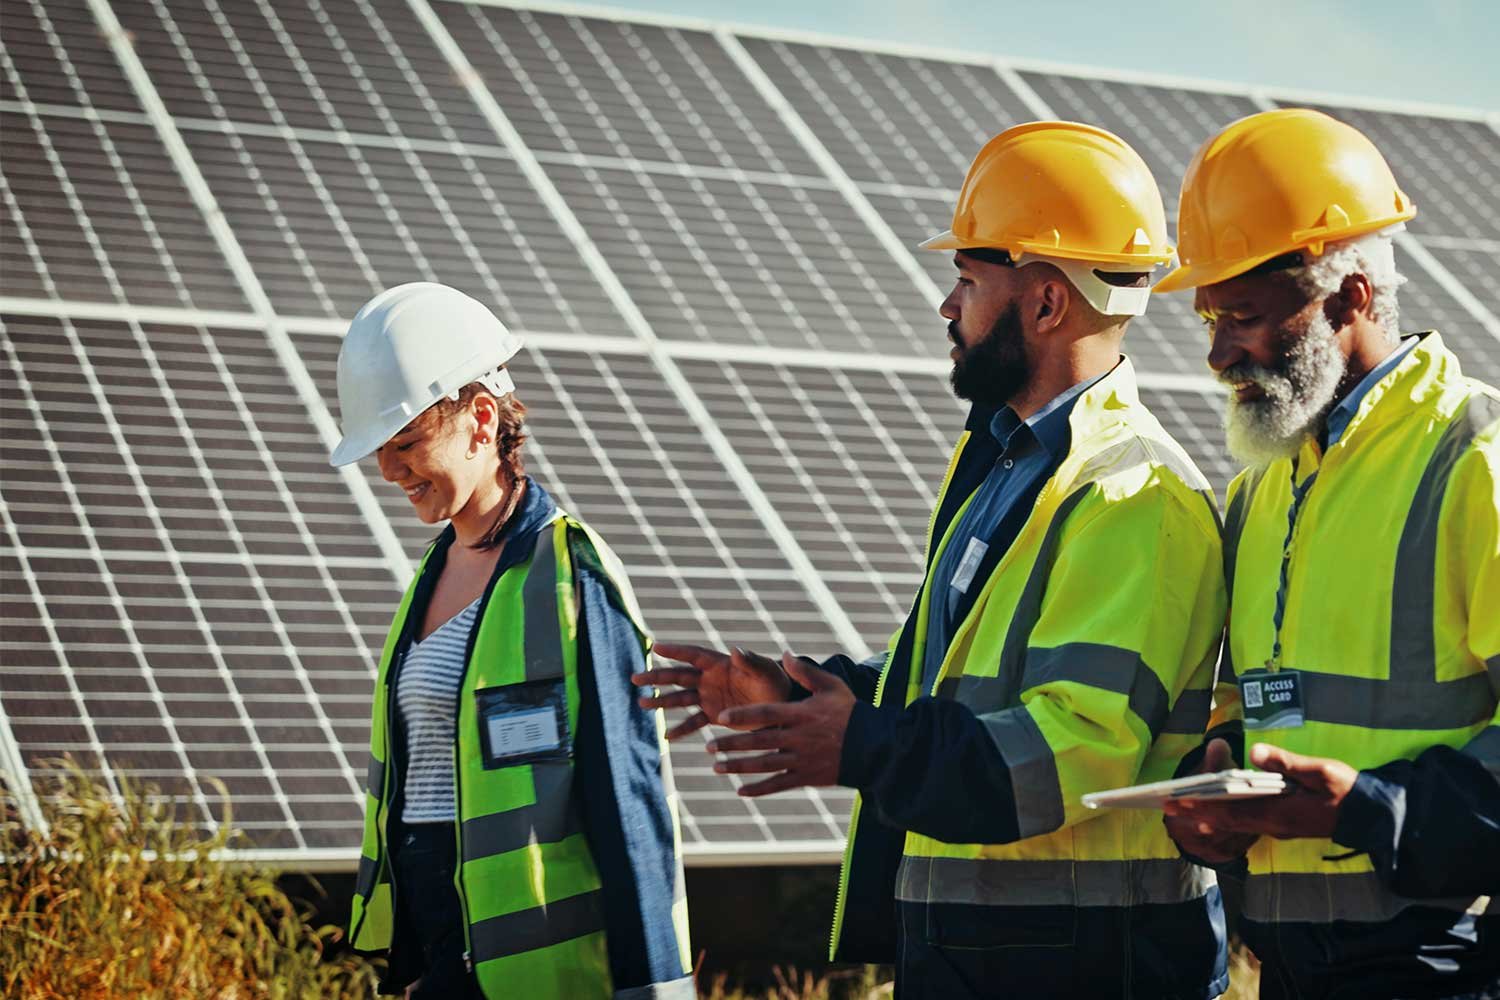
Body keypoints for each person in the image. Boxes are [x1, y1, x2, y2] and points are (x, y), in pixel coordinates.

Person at [636, 122, 1230, 999]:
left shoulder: (1133, 497)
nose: (947, 307)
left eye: (967, 280)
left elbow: (1073, 751)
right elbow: (948, 685)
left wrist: (866, 747)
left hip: (1086, 970)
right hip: (985, 963)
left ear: (1046, 303)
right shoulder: (1003, 464)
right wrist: (800, 692)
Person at [1154, 108, 1500, 999]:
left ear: (1349, 299)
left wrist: (1374, 811)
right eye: (1209, 322)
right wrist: (1217, 777)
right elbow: (1263, 698)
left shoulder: (1476, 456)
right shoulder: (1261, 487)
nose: (1220, 353)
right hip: (1293, 963)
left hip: (1451, 960)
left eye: (1244, 317)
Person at [335, 283, 693, 999]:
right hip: (440, 959)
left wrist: (659, 985)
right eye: (380, 448)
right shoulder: (425, 585)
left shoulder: (572, 571)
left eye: (405, 441)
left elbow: (628, 793)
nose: (389, 469)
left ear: (480, 419)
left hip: (543, 973)